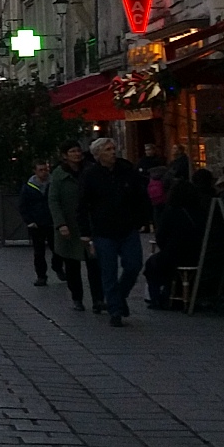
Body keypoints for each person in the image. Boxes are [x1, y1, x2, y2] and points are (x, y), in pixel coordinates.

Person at [79, 137, 150, 326]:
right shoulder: (91, 175)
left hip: (127, 227)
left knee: (134, 265)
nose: (113, 152)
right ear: (98, 154)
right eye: (108, 149)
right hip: (103, 230)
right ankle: (115, 311)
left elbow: (141, 195)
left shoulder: (126, 170)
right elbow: (83, 204)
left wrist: (143, 219)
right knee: (108, 271)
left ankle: (118, 297)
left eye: (113, 148)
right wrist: (85, 232)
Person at [47, 143, 100, 313]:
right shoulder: (58, 174)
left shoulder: (91, 170)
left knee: (94, 263)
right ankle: (77, 298)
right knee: (72, 265)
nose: (76, 154)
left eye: (78, 151)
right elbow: (54, 200)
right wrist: (60, 224)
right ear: (65, 155)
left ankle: (98, 299)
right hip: (69, 225)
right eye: (72, 151)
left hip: (89, 224)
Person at [143, 180, 202, 310]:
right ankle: (169, 293)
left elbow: (161, 235)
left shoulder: (171, 212)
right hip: (197, 254)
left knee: (151, 265)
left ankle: (156, 299)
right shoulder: (199, 211)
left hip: (174, 254)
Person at [18, 160, 54, 287]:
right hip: (36, 224)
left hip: (52, 222)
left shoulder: (53, 183)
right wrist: (29, 221)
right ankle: (41, 276)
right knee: (39, 252)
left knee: (57, 250)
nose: (44, 172)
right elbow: (23, 205)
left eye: (46, 170)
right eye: (41, 170)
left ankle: (57, 267)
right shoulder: (29, 187)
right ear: (35, 171)